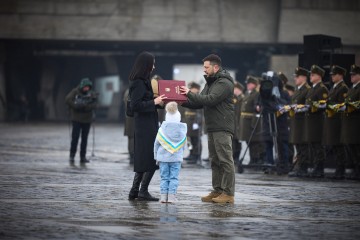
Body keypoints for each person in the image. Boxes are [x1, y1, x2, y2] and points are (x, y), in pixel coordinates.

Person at [180, 54, 235, 204]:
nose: (204, 70)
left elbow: (210, 100)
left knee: (225, 160)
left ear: (215, 67)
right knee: (215, 161)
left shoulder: (224, 83)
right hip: (212, 127)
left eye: (206, 67)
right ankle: (217, 190)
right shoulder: (211, 82)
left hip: (222, 126)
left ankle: (228, 193)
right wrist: (181, 100)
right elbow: (199, 103)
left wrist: (189, 93)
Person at [128, 51, 166, 201]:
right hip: (144, 126)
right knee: (151, 157)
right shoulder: (138, 82)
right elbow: (135, 105)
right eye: (152, 63)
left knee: (147, 158)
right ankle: (141, 190)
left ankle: (135, 191)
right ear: (146, 65)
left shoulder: (143, 80)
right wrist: (154, 102)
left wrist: (158, 102)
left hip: (147, 123)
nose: (154, 66)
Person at [154, 102, 187, 203]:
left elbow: (156, 144)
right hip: (176, 158)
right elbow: (184, 145)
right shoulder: (182, 130)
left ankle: (163, 197)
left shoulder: (162, 130)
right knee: (174, 178)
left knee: (164, 178)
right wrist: (182, 154)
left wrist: (156, 157)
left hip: (163, 158)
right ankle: (172, 197)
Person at [324, 65, 349, 179]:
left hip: (337, 120)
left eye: (334, 75)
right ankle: (339, 168)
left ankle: (341, 168)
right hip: (331, 120)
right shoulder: (334, 87)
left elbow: (341, 105)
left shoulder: (343, 88)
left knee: (339, 146)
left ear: (340, 75)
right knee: (334, 145)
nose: (332, 77)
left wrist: (329, 106)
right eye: (332, 75)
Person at [65, 78, 97, 164]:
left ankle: (83, 157)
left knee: (84, 139)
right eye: (85, 87)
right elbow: (68, 99)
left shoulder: (91, 93)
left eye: (88, 87)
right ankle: (72, 155)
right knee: (75, 138)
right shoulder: (75, 92)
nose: (87, 89)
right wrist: (76, 106)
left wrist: (86, 107)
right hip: (76, 119)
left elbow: (95, 104)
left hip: (87, 120)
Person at [304, 65, 329, 178]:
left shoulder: (322, 88)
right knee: (313, 144)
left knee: (318, 145)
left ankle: (320, 168)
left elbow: (323, 104)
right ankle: (315, 166)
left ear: (319, 76)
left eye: (313, 75)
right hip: (311, 120)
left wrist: (310, 107)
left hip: (317, 120)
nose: (310, 76)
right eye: (310, 74)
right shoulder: (312, 89)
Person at [288, 67, 311, 177]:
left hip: (302, 123)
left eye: (297, 77)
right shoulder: (298, 90)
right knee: (298, 145)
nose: (295, 79)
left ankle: (303, 167)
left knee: (302, 146)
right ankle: (299, 166)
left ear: (303, 77)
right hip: (296, 122)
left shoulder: (307, 90)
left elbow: (306, 106)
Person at [239, 76, 265, 166]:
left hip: (251, 120)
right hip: (245, 121)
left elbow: (256, 108)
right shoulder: (247, 93)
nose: (247, 85)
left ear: (254, 85)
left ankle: (255, 159)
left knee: (254, 142)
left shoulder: (256, 94)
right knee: (248, 141)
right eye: (247, 83)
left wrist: (254, 123)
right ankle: (252, 159)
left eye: (249, 84)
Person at [341, 64, 360, 180]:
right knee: (351, 147)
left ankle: (358, 170)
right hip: (349, 122)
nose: (352, 77)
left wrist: (349, 106)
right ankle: (355, 169)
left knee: (357, 148)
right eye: (351, 75)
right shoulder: (352, 88)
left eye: (354, 74)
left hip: (356, 122)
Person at [182, 82, 203, 164]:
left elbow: (200, 111)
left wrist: (197, 122)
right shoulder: (188, 96)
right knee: (189, 140)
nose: (190, 89)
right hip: (188, 122)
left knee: (196, 140)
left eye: (192, 88)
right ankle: (191, 153)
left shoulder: (199, 97)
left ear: (197, 89)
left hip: (195, 122)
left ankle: (197, 155)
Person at [233, 81, 245, 165]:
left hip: (239, 122)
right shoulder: (235, 98)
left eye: (235, 89)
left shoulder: (242, 98)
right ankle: (234, 157)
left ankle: (237, 157)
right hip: (233, 123)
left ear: (239, 90)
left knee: (238, 141)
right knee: (233, 141)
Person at [123, 88, 135, 164]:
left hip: (129, 117)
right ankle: (132, 156)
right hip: (132, 117)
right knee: (132, 137)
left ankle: (132, 155)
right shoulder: (131, 91)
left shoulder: (128, 90)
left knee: (131, 137)